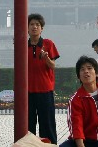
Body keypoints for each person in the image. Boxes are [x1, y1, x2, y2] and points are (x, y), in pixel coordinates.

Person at [27, 13, 60, 144]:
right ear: (27, 28)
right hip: (28, 92)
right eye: (31, 24)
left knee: (47, 125)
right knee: (28, 126)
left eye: (37, 25)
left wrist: (46, 58)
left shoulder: (48, 44)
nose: (34, 27)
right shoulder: (23, 46)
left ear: (42, 28)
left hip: (45, 91)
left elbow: (53, 66)